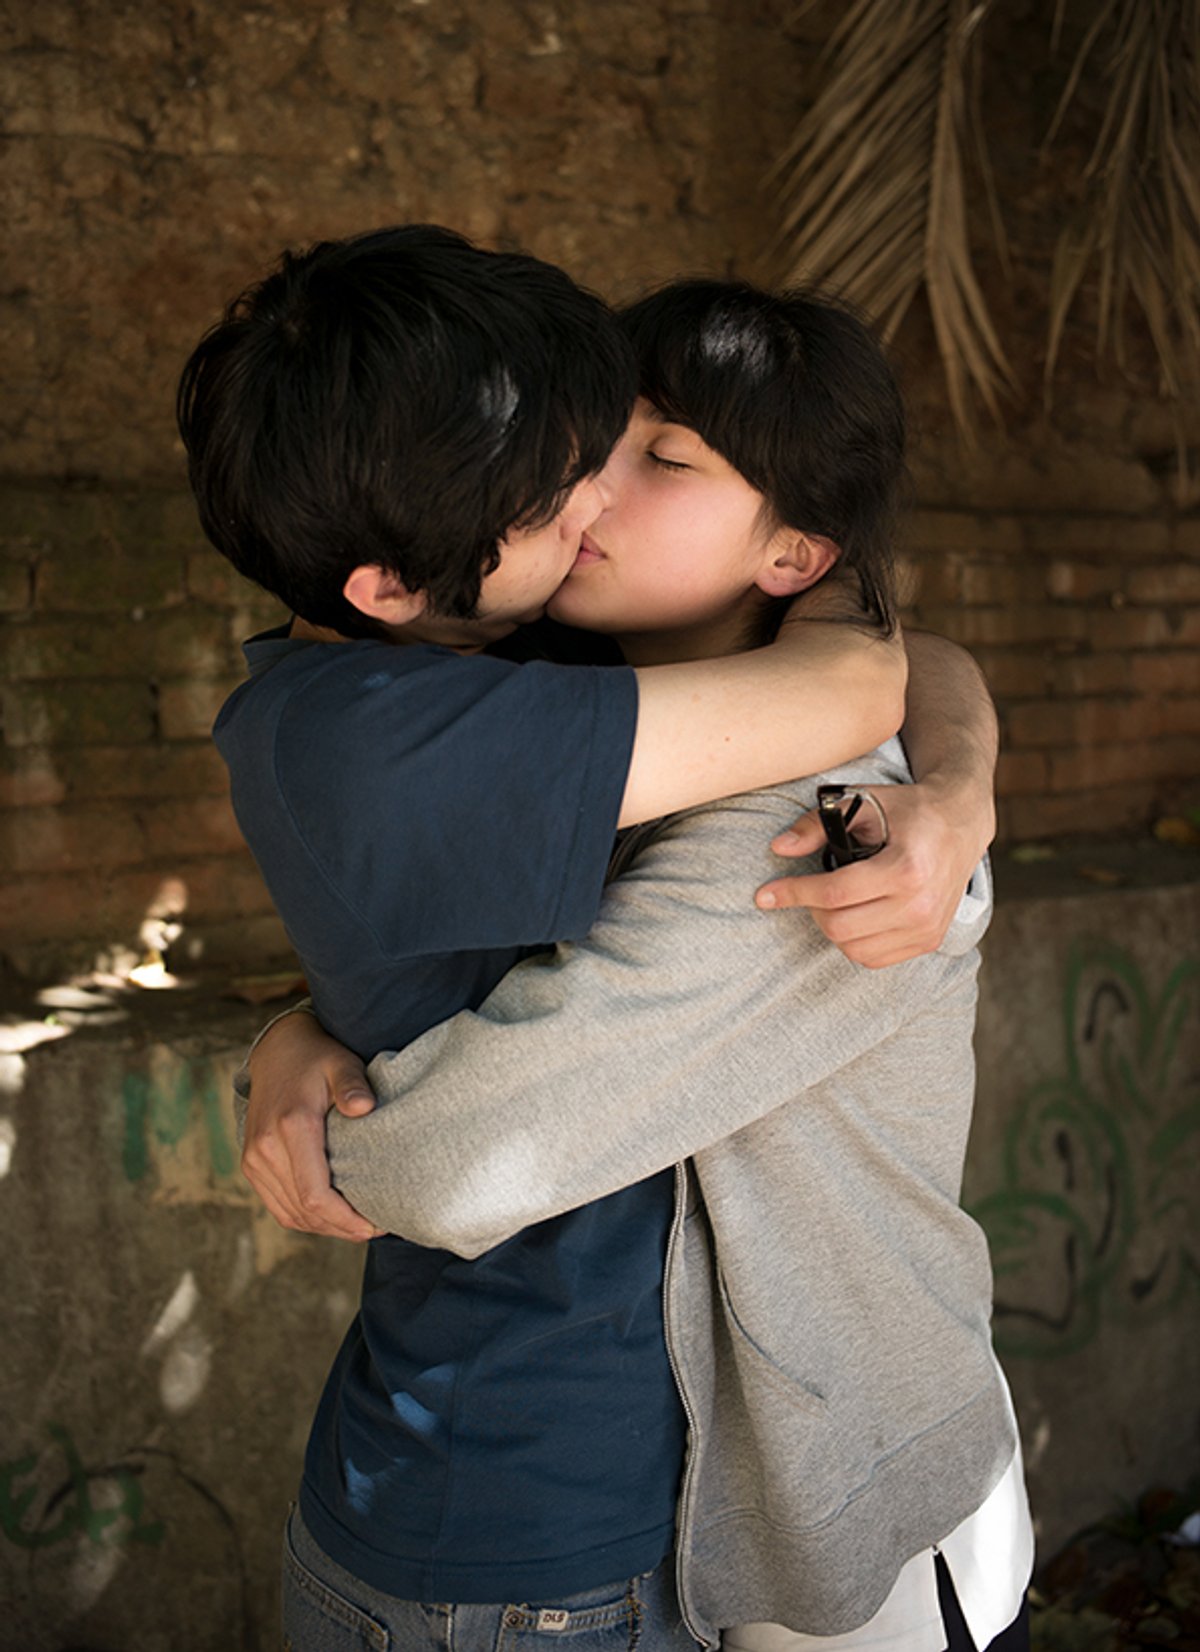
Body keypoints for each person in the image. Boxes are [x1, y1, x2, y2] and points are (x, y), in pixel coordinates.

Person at [178, 226, 996, 1648]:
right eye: (576, 459)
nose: (587, 495)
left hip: (815, 1525)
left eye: (653, 459)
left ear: (795, 549)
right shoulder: (500, 702)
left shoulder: (816, 840)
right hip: (560, 1532)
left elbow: (895, 668)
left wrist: (960, 787)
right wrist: (301, 1036)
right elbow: (875, 654)